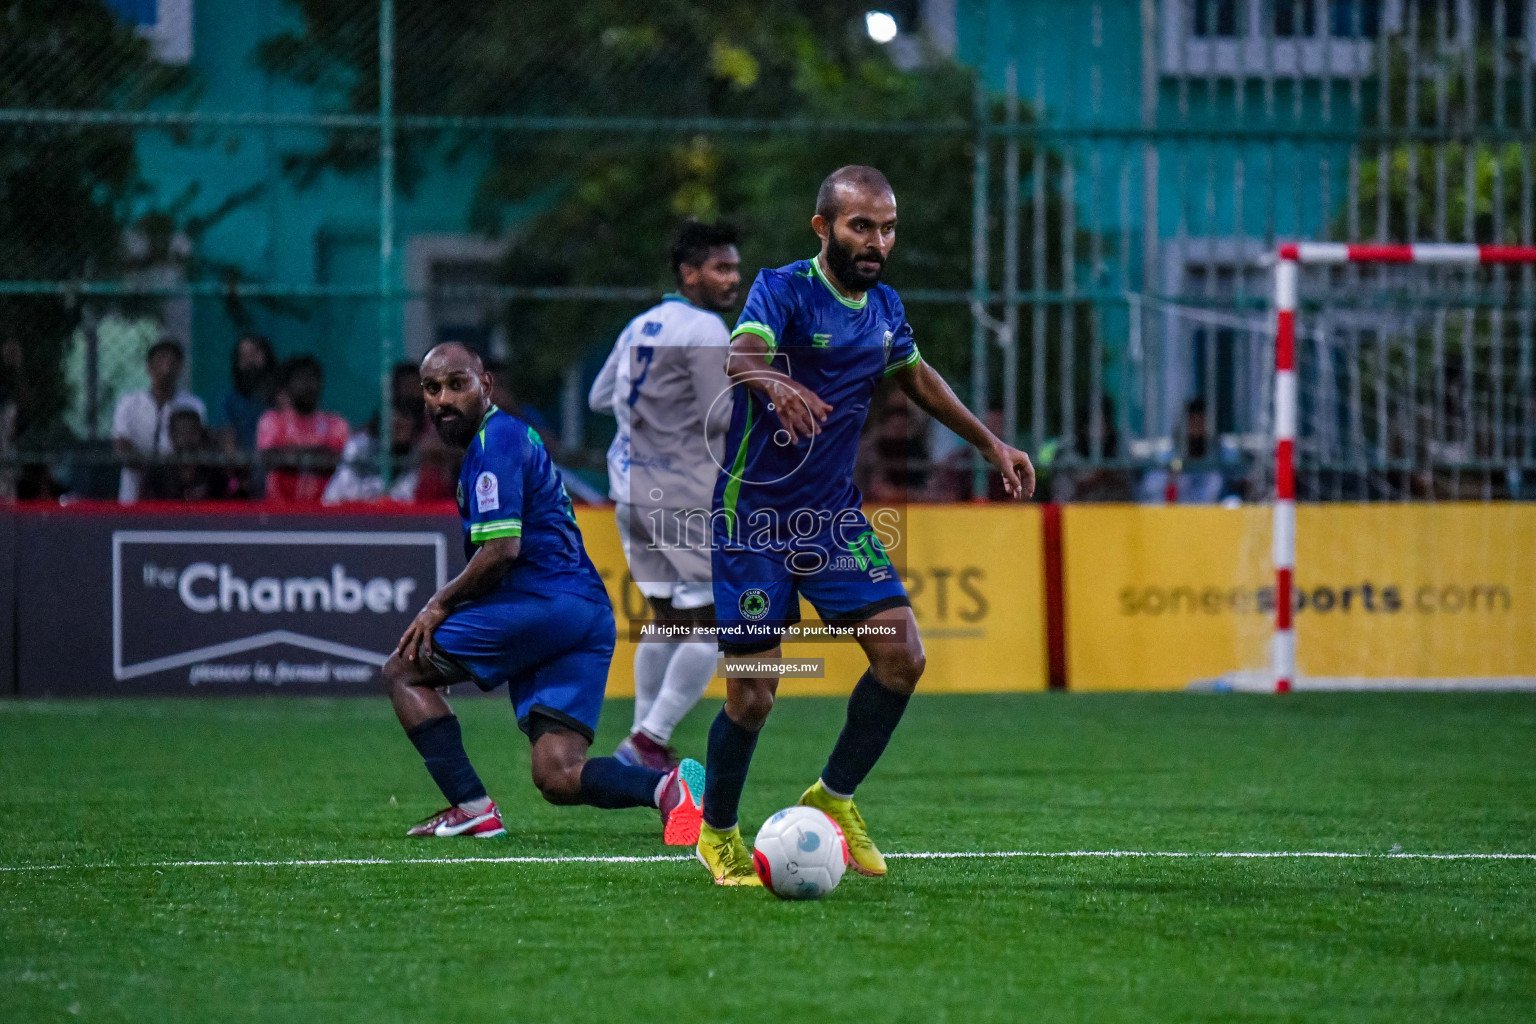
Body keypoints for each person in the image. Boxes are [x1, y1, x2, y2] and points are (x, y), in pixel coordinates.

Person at [696, 166, 1035, 885]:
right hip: (752, 518)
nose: (877, 240)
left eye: (886, 227)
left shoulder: (883, 305)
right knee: (753, 695)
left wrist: (990, 444)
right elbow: (741, 354)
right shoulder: (782, 288)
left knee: (903, 656)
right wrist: (777, 382)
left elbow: (916, 376)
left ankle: (834, 796)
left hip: (832, 518)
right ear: (824, 228)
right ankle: (717, 832)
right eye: (861, 226)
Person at [380, 342, 705, 844]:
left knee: (403, 671)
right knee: (557, 774)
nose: (443, 398)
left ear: (485, 386)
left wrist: (440, 604)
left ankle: (471, 808)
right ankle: (668, 788)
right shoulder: (504, 440)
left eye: (457, 384)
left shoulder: (495, 442)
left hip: (543, 604)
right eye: (432, 388)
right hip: (584, 613)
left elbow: (501, 551)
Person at [588, 221, 740, 771]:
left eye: (735, 268)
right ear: (689, 272)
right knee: (713, 624)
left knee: (666, 619)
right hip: (679, 493)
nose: (733, 279)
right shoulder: (704, 329)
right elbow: (719, 415)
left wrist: (652, 414)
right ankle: (649, 740)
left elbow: (600, 395)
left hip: (630, 488)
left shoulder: (640, 326)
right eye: (721, 268)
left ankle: (640, 740)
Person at [110, 338, 207, 504]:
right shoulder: (129, 403)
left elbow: (195, 447)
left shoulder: (193, 405)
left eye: (172, 361)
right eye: (161, 359)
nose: (167, 366)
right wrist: (152, 467)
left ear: (180, 368)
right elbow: (121, 445)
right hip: (133, 492)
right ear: (149, 367)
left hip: (175, 493)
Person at [255, 356, 349, 503]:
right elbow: (269, 458)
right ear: (288, 386)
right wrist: (317, 454)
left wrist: (290, 454)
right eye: (300, 380)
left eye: (312, 379)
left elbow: (337, 462)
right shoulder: (273, 420)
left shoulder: (336, 423)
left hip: (325, 509)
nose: (307, 386)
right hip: (278, 508)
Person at [142, 408, 239, 501]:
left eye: (192, 432)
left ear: (200, 433)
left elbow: (226, 502)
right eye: (182, 432)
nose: (187, 438)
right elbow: (146, 505)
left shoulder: (212, 470)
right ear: (171, 435)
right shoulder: (157, 471)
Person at [219, 334, 278, 454]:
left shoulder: (282, 399)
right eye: (243, 356)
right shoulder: (231, 401)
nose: (249, 361)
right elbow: (228, 440)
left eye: (254, 354)